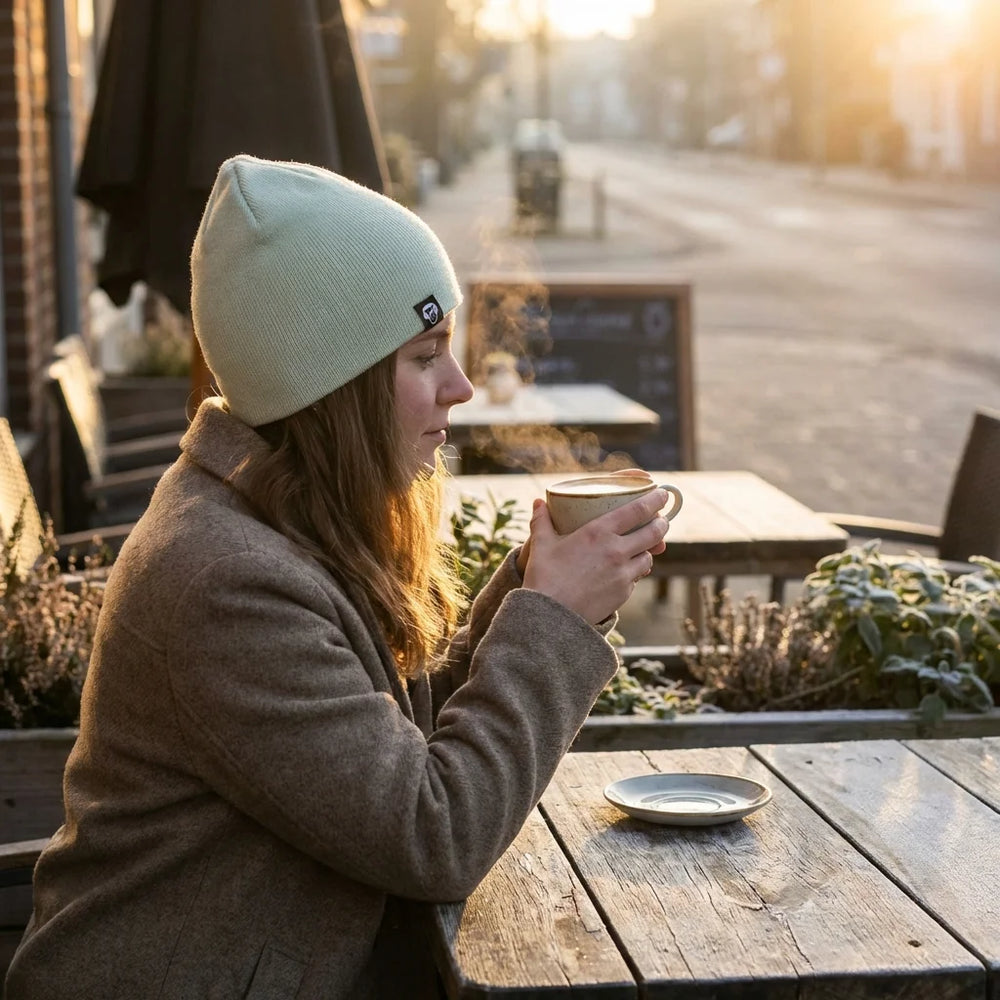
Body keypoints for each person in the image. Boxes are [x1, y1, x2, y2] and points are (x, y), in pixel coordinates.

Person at [4, 155, 671, 999]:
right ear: (334, 384)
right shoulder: (226, 583)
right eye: (427, 355)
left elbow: (393, 743)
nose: (461, 388)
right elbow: (436, 834)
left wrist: (539, 589)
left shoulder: (278, 507)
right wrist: (551, 617)